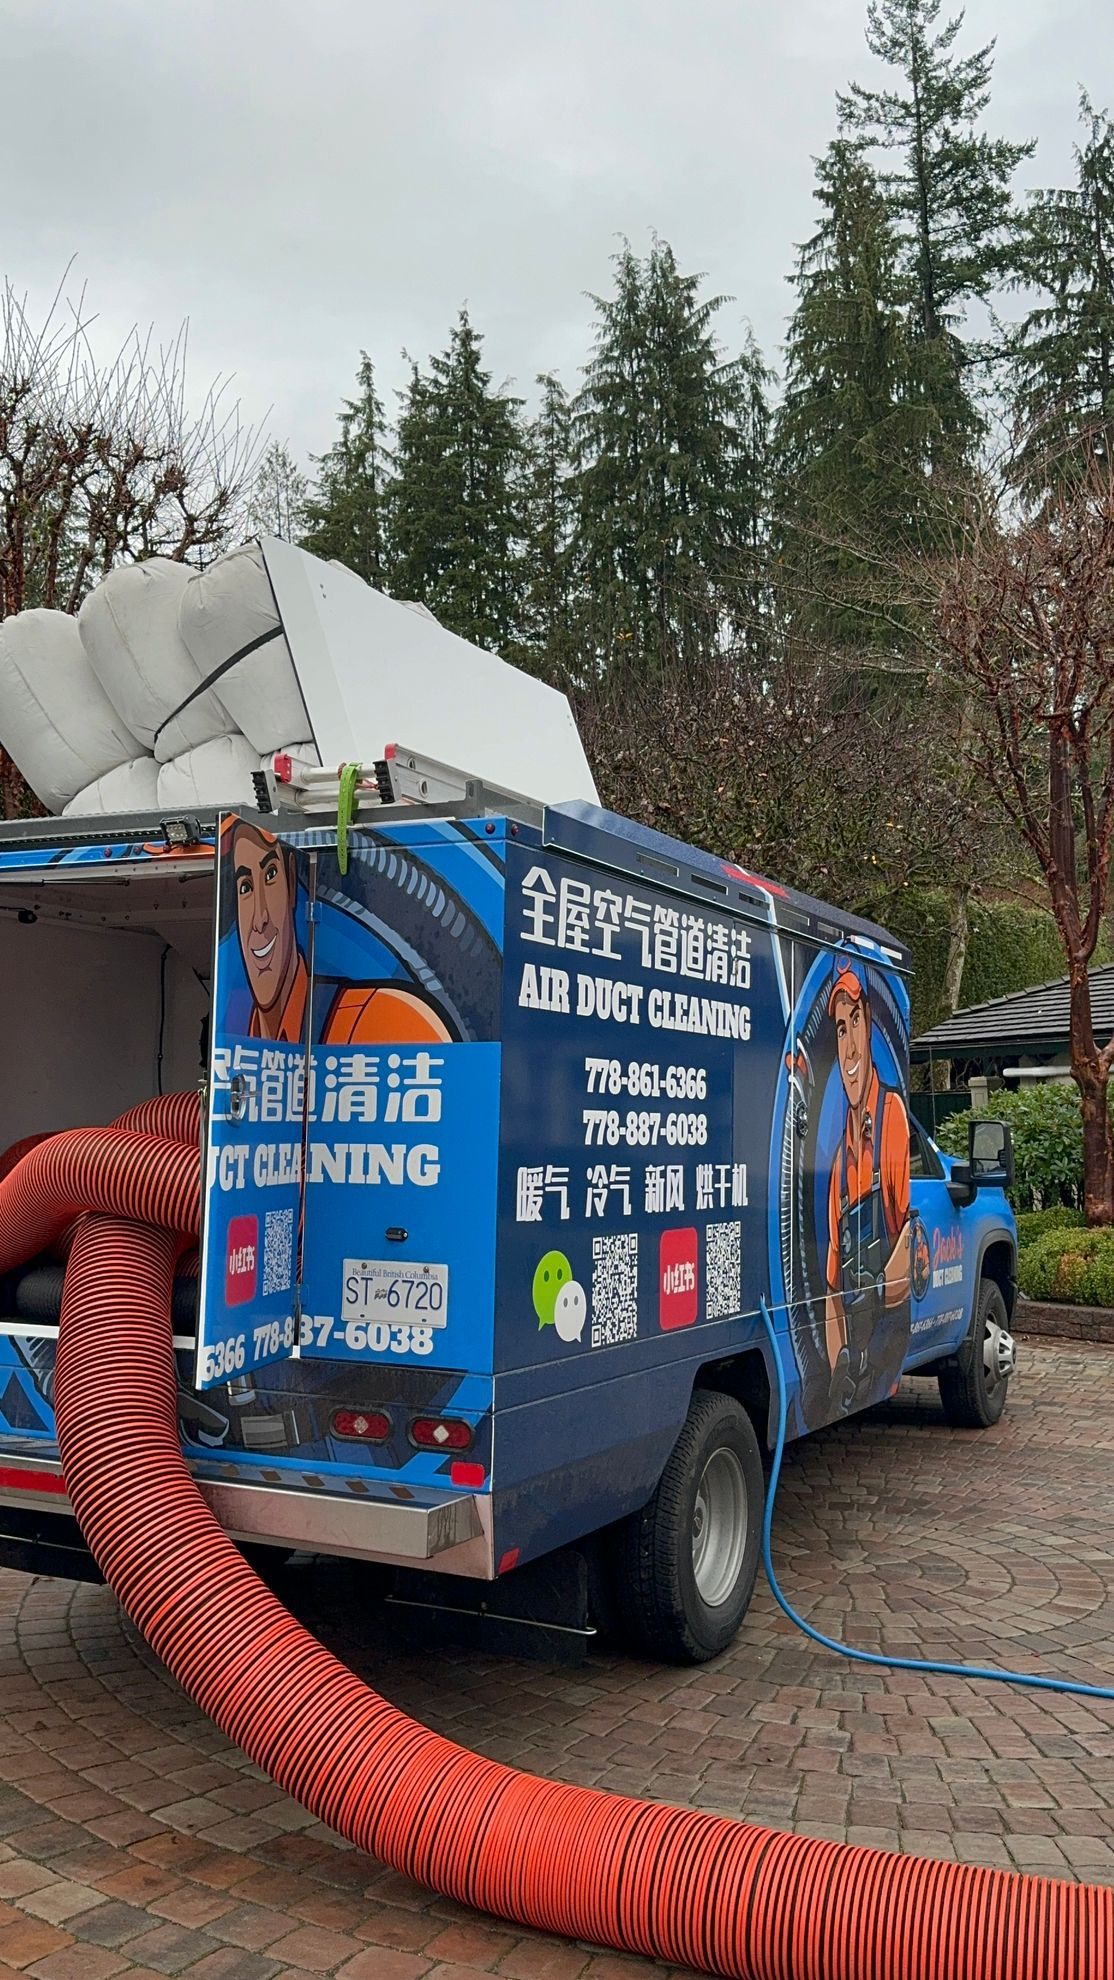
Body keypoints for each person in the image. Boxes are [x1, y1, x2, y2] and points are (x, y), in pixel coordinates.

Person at [227, 817, 453, 1047]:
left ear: (292, 881)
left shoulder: (381, 1013)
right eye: (245, 887)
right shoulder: (235, 1032)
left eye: (270, 875)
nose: (260, 917)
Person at [824, 960, 910, 1415]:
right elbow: (832, 1288)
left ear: (870, 1029)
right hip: (860, 1354)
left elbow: (907, 1241)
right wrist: (840, 1362)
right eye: (840, 1029)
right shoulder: (838, 1167)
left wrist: (876, 1297)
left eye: (855, 1020)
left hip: (888, 1337)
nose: (850, 1046)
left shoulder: (894, 1115)